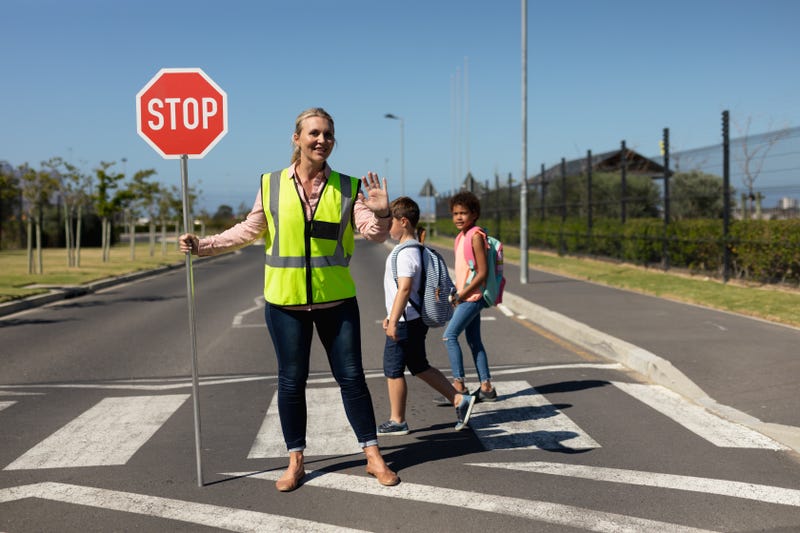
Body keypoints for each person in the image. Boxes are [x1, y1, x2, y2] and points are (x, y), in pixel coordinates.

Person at [179, 107, 399, 492]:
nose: (322, 141)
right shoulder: (270, 184)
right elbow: (250, 230)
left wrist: (382, 215)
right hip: (285, 303)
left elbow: (375, 235)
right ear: (296, 139)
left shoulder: (349, 187)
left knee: (352, 379)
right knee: (291, 383)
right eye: (314, 133)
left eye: (328, 134)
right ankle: (296, 459)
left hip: (337, 302)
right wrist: (204, 245)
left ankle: (372, 456)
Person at [377, 197, 476, 437]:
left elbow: (404, 288)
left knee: (393, 369)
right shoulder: (417, 250)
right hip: (414, 319)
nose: (387, 226)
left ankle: (397, 420)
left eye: (390, 221)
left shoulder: (405, 254)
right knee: (419, 365)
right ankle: (458, 399)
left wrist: (393, 319)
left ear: (403, 221)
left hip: (405, 321)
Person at [438, 191, 497, 404]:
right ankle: (486, 388)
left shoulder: (475, 236)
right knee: (474, 341)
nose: (459, 217)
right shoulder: (460, 237)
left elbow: (482, 273)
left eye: (463, 213)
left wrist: (462, 294)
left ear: (475, 214)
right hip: (465, 295)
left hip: (474, 297)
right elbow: (465, 271)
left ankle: (459, 385)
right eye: (455, 213)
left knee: (449, 336)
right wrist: (456, 290)